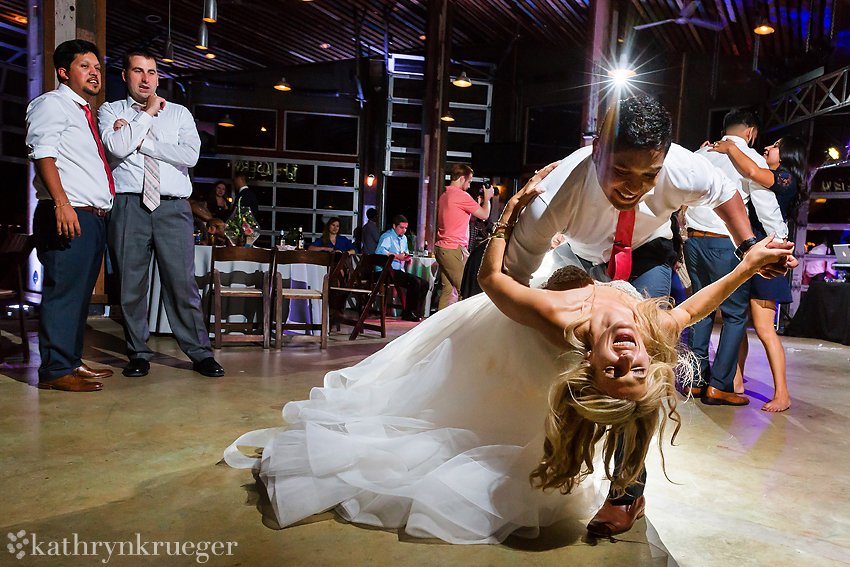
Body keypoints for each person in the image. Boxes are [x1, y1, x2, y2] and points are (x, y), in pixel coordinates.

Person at [224, 164, 794, 545]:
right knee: (633, 397)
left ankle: (627, 491)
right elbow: (697, 307)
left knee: (460, 384)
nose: (626, 357)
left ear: (590, 364)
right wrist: (750, 260)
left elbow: (493, 284)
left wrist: (506, 215)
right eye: (637, 368)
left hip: (505, 320)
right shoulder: (649, 328)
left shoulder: (558, 319)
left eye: (612, 370)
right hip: (581, 261)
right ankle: (630, 487)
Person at [502, 96, 796, 538]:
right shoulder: (555, 196)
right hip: (579, 261)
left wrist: (747, 246)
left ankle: (627, 492)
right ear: (597, 147)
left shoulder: (681, 166)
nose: (633, 188)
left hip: (649, 254)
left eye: (649, 175)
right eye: (621, 172)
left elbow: (725, 192)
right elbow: (511, 280)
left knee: (643, 365)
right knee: (564, 360)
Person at [99, 48, 224, 379]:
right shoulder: (110, 110)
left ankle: (200, 353)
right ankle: (138, 353)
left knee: (183, 284)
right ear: (125, 75)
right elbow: (115, 147)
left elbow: (191, 155)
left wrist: (143, 141)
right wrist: (146, 116)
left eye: (151, 72)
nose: (145, 78)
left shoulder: (179, 113)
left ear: (158, 77)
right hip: (128, 205)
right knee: (130, 286)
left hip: (172, 206)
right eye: (138, 71)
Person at [26, 39, 115, 392]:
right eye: (85, 66)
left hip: (90, 216)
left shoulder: (82, 112)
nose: (94, 72)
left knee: (79, 297)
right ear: (64, 72)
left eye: (97, 67)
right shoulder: (52, 104)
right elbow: (43, 153)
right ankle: (54, 370)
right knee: (64, 292)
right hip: (68, 212)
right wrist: (62, 204)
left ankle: (71, 362)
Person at [683, 109, 789, 407]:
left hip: (693, 242)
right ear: (751, 132)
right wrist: (780, 244)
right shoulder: (749, 158)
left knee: (699, 310)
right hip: (726, 244)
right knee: (734, 314)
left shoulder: (700, 154)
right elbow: (766, 206)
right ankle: (720, 385)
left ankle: (695, 379)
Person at [710, 134, 809, 412]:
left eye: (776, 145)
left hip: (771, 258)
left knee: (765, 330)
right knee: (737, 322)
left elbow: (751, 170)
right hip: (752, 257)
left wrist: (730, 147)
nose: (768, 147)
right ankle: (736, 383)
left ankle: (783, 393)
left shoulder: (785, 178)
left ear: (789, 153)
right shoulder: (765, 177)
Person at [434, 164, 494, 310]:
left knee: (448, 293)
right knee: (467, 291)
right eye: (468, 181)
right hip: (454, 249)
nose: (469, 185)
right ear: (461, 178)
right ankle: (464, 331)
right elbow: (485, 215)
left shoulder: (444, 196)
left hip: (441, 249)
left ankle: (441, 330)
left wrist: (477, 203)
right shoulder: (461, 195)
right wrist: (488, 198)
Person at [375, 215, 427, 322]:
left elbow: (404, 252)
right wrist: (396, 256)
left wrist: (406, 258)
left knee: (424, 283)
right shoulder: (387, 236)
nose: (404, 230)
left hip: (399, 270)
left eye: (406, 228)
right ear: (394, 226)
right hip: (386, 271)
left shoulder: (404, 238)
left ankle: (416, 312)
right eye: (401, 228)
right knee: (414, 282)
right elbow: (380, 252)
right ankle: (408, 313)